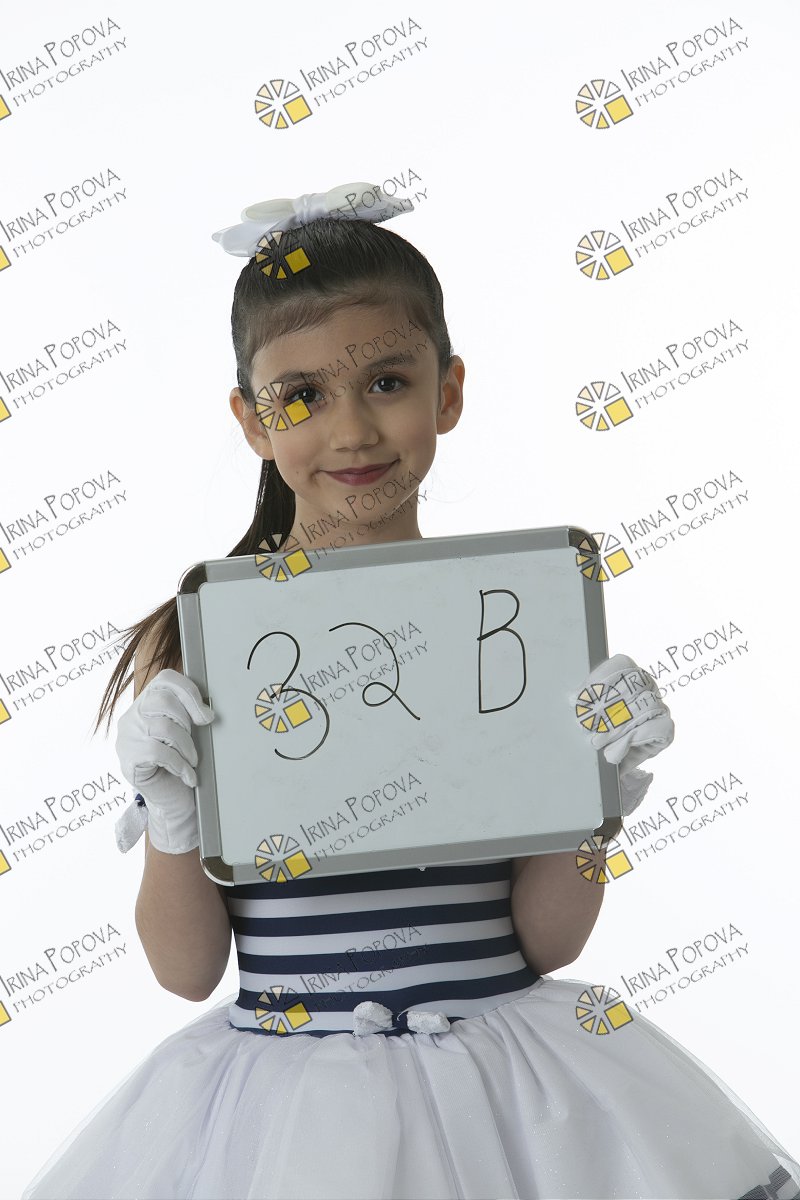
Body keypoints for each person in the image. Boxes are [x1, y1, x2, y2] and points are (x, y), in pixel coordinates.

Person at [21, 183, 800, 1200]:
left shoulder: (513, 626)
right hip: (284, 1110)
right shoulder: (209, 645)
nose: (350, 429)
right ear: (251, 420)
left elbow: (545, 940)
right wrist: (173, 823)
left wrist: (592, 803)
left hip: (508, 1094)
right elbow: (185, 971)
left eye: (386, 381)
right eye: (301, 396)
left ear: (448, 391)